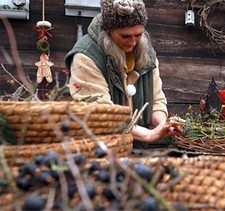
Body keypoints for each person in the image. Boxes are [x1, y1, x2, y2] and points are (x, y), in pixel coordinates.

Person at [64, 0, 183, 148]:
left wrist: (164, 125)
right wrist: (147, 134)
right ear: (109, 31)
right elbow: (100, 114)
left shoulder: (148, 55)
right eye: (125, 36)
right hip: (97, 150)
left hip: (136, 151)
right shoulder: (86, 57)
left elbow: (156, 100)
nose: (133, 42)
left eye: (138, 34)